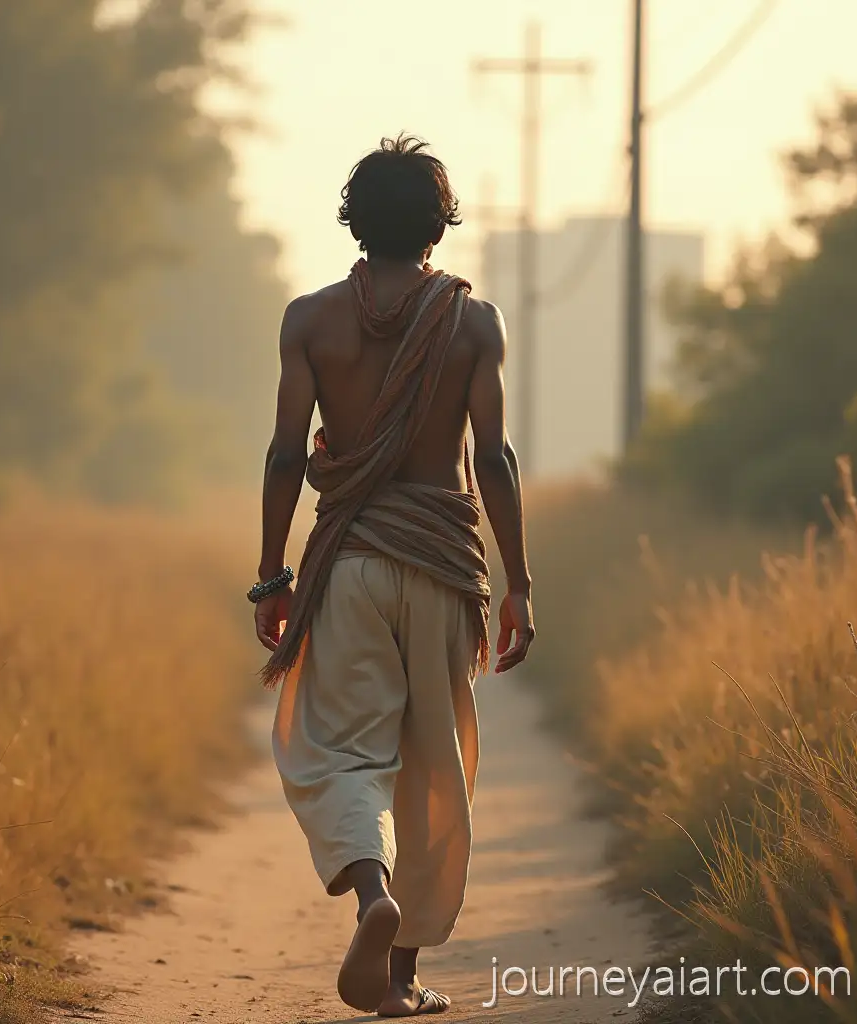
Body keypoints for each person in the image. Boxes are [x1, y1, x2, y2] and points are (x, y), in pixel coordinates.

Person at [251, 134, 534, 1017]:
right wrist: (519, 582)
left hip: (353, 563)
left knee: (341, 752)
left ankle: (373, 895)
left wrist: (272, 575)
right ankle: (402, 973)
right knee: (435, 766)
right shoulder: (473, 322)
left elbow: (285, 454)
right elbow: (493, 459)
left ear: (353, 219)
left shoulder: (310, 320)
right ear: (439, 226)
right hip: (443, 566)